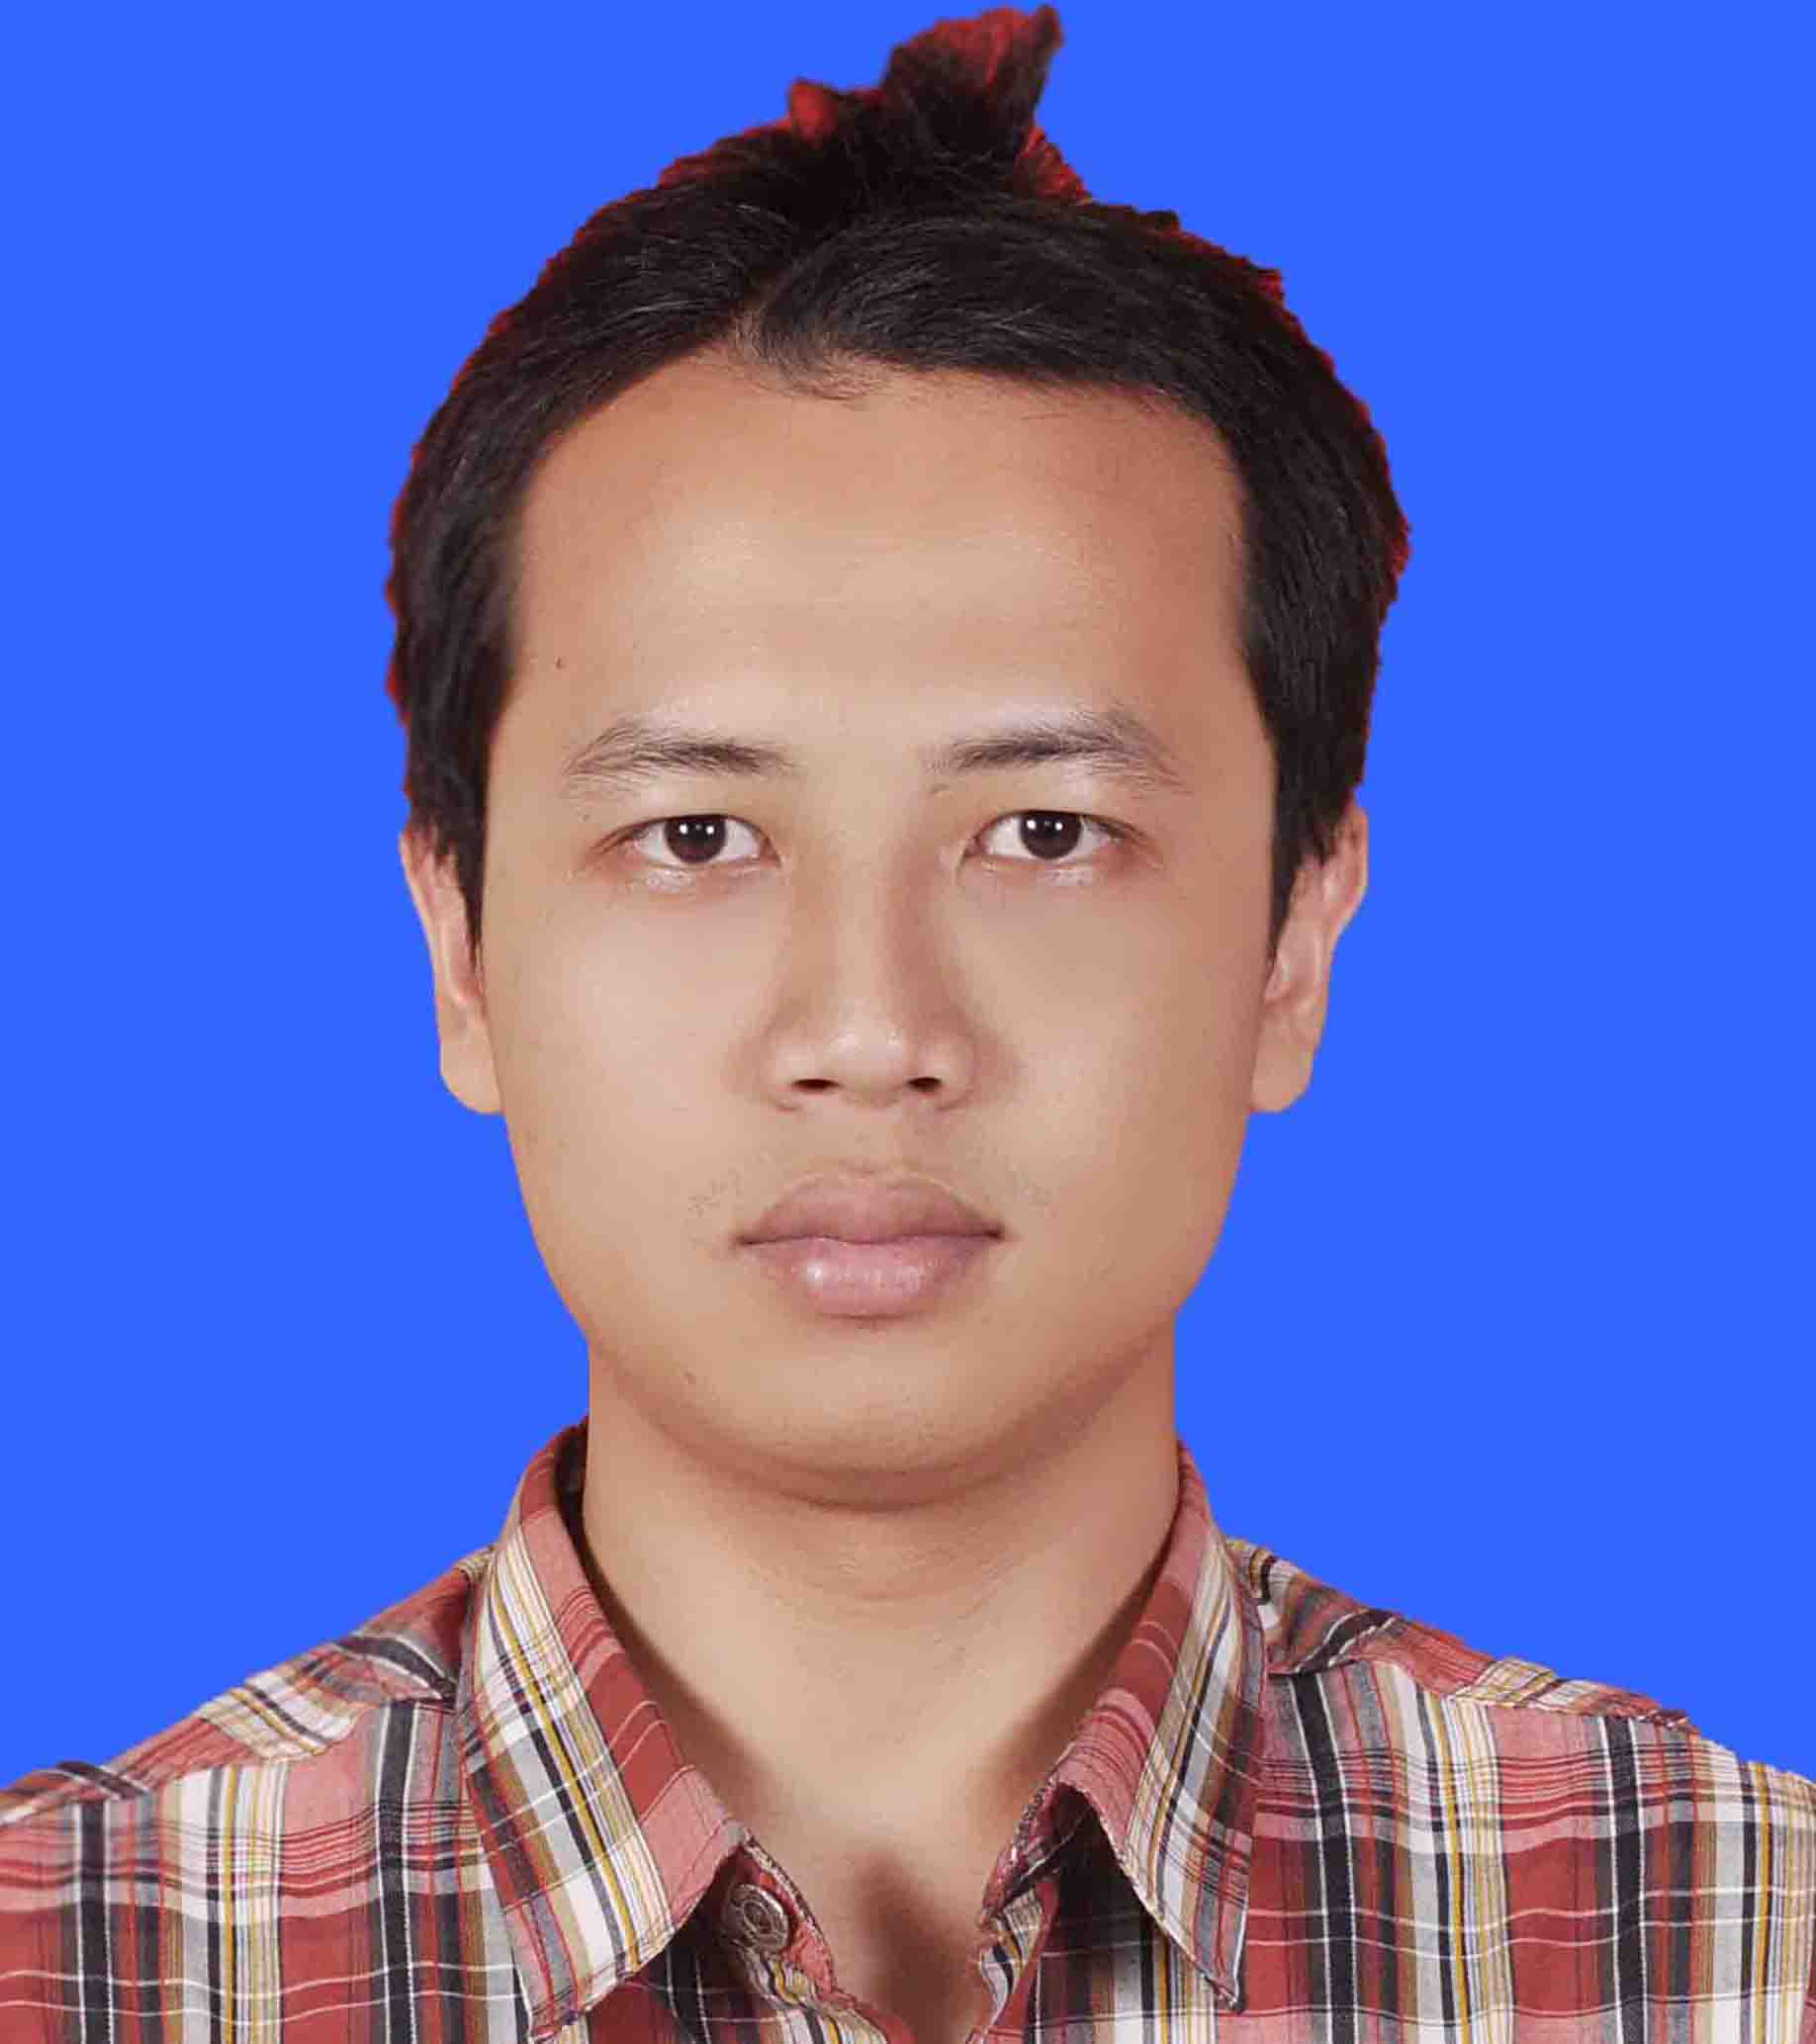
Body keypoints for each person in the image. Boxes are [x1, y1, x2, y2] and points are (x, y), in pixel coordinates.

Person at [4, 8, 1811, 2040]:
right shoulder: (72, 1965)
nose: (869, 1030)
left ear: (1298, 938)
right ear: (463, 950)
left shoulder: (1732, 1945)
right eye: (697, 835)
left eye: (1045, 831)